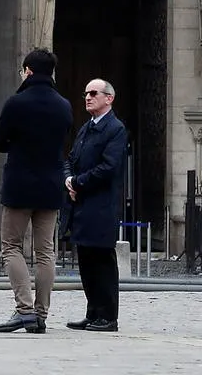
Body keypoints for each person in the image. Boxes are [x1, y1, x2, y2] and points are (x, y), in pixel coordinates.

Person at [0, 48, 72, 334]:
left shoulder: (17, 103)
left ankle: (23, 309)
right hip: (51, 184)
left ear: (28, 70)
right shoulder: (64, 105)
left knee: (11, 246)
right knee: (45, 252)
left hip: (21, 183)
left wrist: (19, 144)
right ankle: (41, 313)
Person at [64, 78, 129, 333]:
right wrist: (68, 179)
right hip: (82, 205)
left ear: (108, 98)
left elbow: (109, 167)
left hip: (101, 205)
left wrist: (78, 182)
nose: (88, 97)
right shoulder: (86, 128)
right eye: (86, 93)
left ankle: (108, 316)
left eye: (94, 93)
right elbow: (70, 158)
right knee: (87, 262)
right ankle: (93, 312)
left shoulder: (115, 129)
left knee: (103, 262)